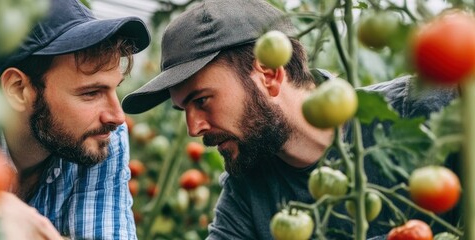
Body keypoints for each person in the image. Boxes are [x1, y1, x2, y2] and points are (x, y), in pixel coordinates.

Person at [121, 0, 460, 239]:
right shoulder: (248, 190)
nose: (194, 128)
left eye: (202, 101)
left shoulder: (431, 111)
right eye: (184, 110)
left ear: (269, 74)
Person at [0, 0, 151, 239]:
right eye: (91, 93)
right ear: (19, 89)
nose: (117, 117)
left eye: (115, 89)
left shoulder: (102, 138)